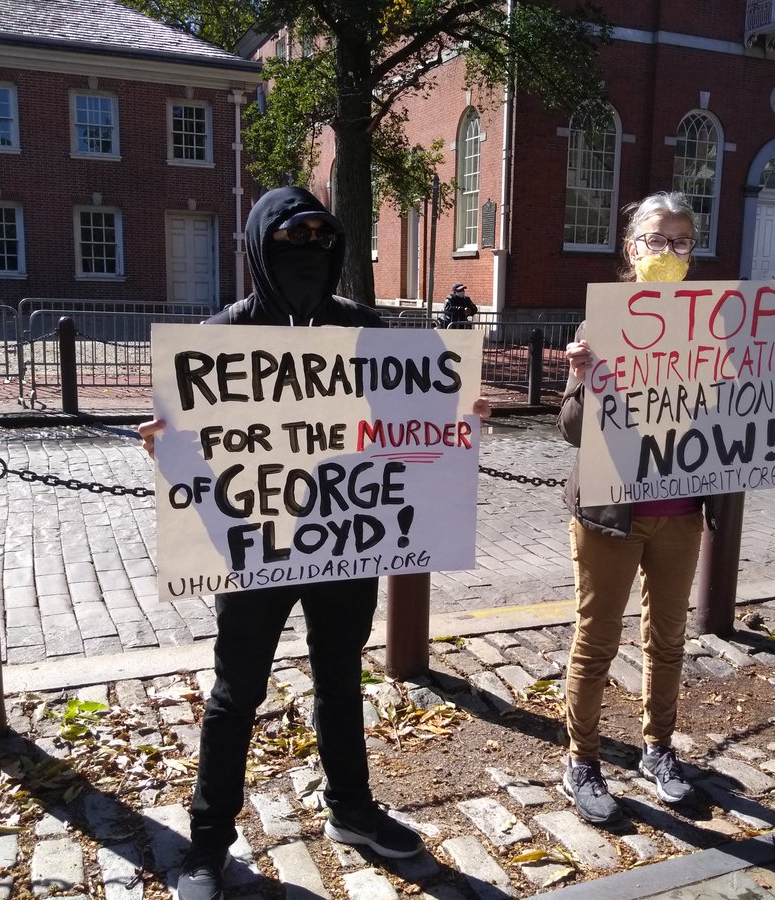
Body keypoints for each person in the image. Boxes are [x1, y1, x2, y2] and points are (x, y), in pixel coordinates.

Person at [138, 186, 488, 900]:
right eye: (290, 240)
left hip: (344, 538)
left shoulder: (367, 328)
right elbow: (196, 444)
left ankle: (352, 811)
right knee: (238, 692)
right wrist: (165, 446)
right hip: (255, 544)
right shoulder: (219, 338)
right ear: (259, 246)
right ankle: (208, 844)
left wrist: (460, 415)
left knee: (340, 674)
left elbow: (412, 423)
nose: (308, 252)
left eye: (321, 239)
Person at [556, 191, 775, 826]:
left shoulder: (719, 320)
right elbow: (574, 431)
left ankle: (658, 750)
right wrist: (580, 378)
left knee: (666, 640)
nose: (670, 252)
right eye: (657, 240)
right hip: (612, 514)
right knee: (597, 640)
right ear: (632, 249)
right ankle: (580, 760)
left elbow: (766, 385)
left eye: (682, 242)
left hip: (684, 510)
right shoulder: (602, 322)